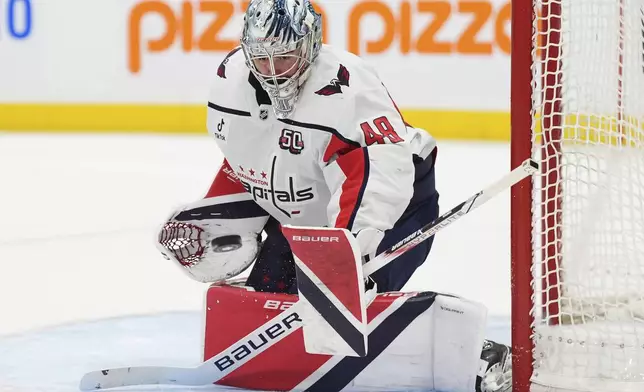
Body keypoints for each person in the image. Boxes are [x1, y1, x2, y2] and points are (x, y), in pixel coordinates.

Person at [155, 0, 511, 391]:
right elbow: (247, 163)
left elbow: (377, 178)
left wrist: (347, 256)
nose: (272, 74)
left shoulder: (348, 90)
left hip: (397, 201)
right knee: (274, 304)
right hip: (307, 208)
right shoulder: (229, 81)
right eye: (263, 60)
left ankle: (480, 356)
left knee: (346, 305)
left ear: (309, 47)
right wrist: (216, 218)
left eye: (285, 59)